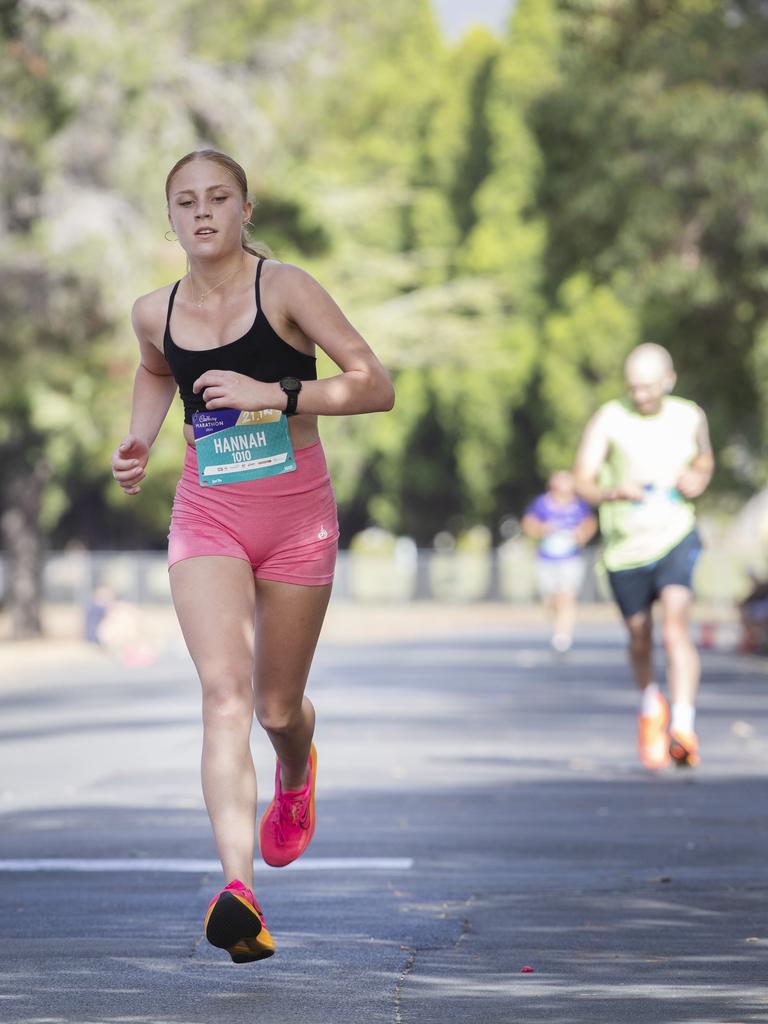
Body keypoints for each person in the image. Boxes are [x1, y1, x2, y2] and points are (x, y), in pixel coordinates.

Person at [111, 149, 394, 963]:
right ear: (169, 218)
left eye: (219, 198)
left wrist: (274, 393)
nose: (202, 212)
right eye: (186, 202)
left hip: (298, 516)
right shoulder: (151, 311)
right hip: (209, 515)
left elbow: (375, 384)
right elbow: (154, 368)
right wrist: (138, 438)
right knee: (224, 696)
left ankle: (297, 772)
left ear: (245, 209)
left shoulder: (287, 288)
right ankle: (240, 891)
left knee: (276, 708)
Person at [573, 343, 713, 770]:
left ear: (669, 381)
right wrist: (610, 492)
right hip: (625, 549)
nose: (641, 396)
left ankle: (684, 726)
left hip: (675, 534)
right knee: (640, 636)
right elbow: (583, 478)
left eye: (649, 388)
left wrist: (699, 476)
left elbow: (705, 459)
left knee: (674, 630)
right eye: (633, 388)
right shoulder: (610, 418)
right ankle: (652, 705)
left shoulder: (689, 415)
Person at [521, 470, 597, 653]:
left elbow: (590, 524)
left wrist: (582, 535)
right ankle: (558, 624)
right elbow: (528, 524)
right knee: (550, 600)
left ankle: (562, 636)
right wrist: (542, 529)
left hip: (570, 558)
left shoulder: (579, 505)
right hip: (547, 559)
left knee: (567, 597)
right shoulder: (541, 504)